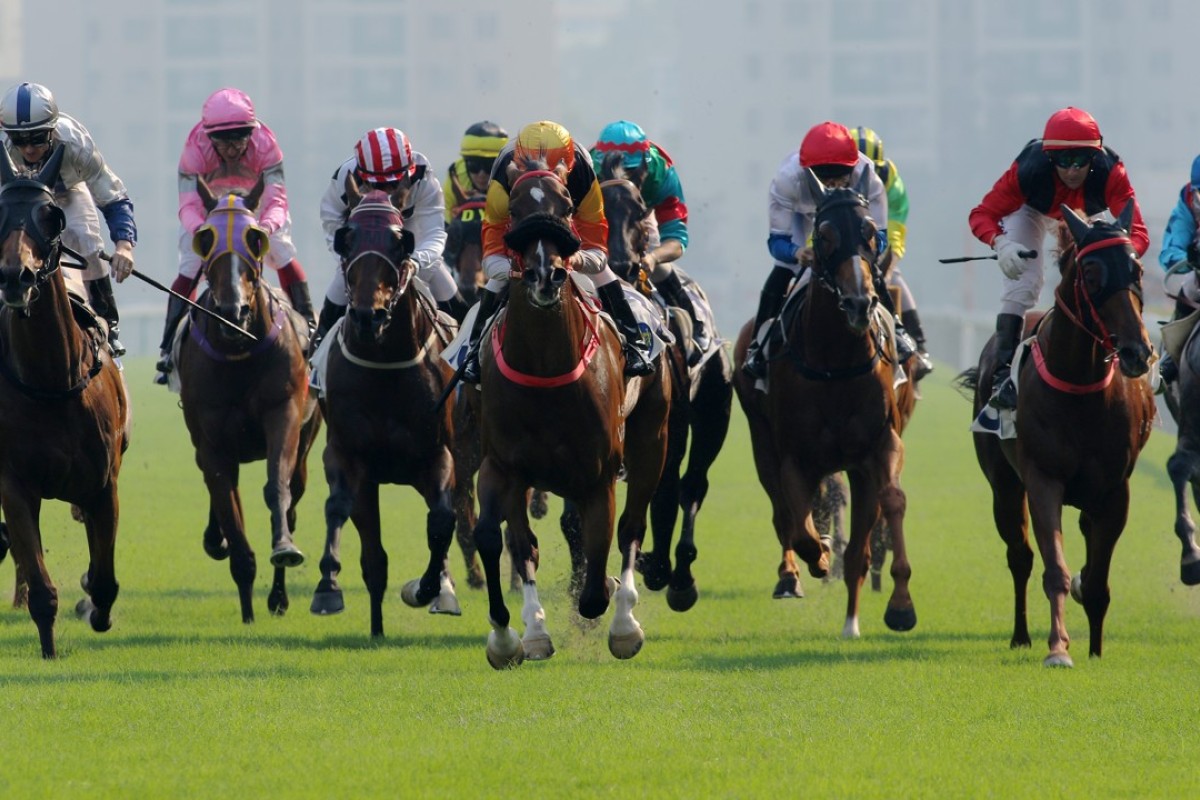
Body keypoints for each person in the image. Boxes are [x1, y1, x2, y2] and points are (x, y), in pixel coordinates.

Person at [968, 106, 1148, 409]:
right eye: (1065, 161)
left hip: (1088, 215)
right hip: (1032, 212)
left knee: (1116, 277)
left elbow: (1138, 232)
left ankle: (1138, 351)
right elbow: (982, 214)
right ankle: (1002, 377)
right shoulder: (1027, 173)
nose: (1074, 170)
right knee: (1025, 281)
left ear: (1095, 157)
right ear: (1051, 158)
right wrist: (1001, 244)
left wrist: (1121, 258)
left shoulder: (1111, 172)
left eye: (1082, 160)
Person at [459, 119, 654, 384]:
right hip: (520, 235)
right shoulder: (502, 181)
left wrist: (576, 258)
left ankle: (635, 344)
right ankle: (472, 353)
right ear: (517, 167)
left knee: (603, 273)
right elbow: (492, 256)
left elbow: (597, 250)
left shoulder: (583, 174)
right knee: (495, 281)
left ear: (567, 166)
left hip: (568, 232)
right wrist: (516, 267)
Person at [155, 87, 313, 384]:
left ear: (251, 132)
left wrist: (264, 228)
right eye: (223, 140)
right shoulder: (193, 151)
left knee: (281, 252)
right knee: (190, 265)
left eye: (240, 137)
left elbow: (277, 200)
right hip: (208, 208)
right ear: (208, 135)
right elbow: (188, 206)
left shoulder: (267, 146)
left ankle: (311, 329)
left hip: (255, 206)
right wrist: (202, 231)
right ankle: (167, 348)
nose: (232, 148)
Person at [743, 120, 905, 380]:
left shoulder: (868, 177)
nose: (832, 182)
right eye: (823, 175)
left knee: (866, 268)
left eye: (840, 174)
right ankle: (757, 348)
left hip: (847, 213)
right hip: (800, 216)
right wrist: (797, 253)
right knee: (785, 268)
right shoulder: (786, 180)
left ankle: (898, 330)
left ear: (852, 168)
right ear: (807, 171)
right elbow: (777, 242)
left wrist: (864, 248)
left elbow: (882, 239)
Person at [0, 81, 136, 355]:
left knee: (87, 242)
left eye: (37, 137)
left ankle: (108, 321)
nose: (28, 149)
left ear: (52, 129)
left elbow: (113, 196)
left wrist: (124, 245)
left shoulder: (76, 142)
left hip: (68, 193)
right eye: (19, 139)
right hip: (19, 199)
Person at [311, 126, 466, 353]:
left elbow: (434, 233)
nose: (384, 193)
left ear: (407, 173)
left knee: (455, 302)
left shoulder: (423, 177)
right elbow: (331, 223)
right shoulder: (343, 179)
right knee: (331, 306)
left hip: (409, 233)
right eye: (376, 185)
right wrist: (350, 258)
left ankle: (470, 353)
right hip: (363, 241)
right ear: (362, 175)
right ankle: (317, 359)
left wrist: (416, 262)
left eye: (392, 185)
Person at [590, 120, 708, 352]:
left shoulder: (661, 173)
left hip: (641, 215)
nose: (626, 178)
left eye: (632, 173)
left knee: (661, 267)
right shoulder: (585, 171)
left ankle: (695, 328)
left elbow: (676, 237)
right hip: (597, 218)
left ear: (645, 165)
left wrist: (653, 258)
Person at [853, 126, 933, 379]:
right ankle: (764, 346)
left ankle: (918, 347)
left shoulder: (890, 181)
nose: (865, 176)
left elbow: (896, 228)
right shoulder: (830, 175)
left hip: (874, 249)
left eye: (872, 169)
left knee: (894, 279)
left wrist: (888, 263)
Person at [443, 121, 508, 295]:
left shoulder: (512, 179)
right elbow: (449, 226)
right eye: (473, 165)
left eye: (488, 167)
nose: (481, 174)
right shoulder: (454, 176)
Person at [1155, 154, 1200, 386]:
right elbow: (1170, 252)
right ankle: (1170, 361)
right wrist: (1191, 260)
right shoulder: (1187, 199)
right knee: (1189, 288)